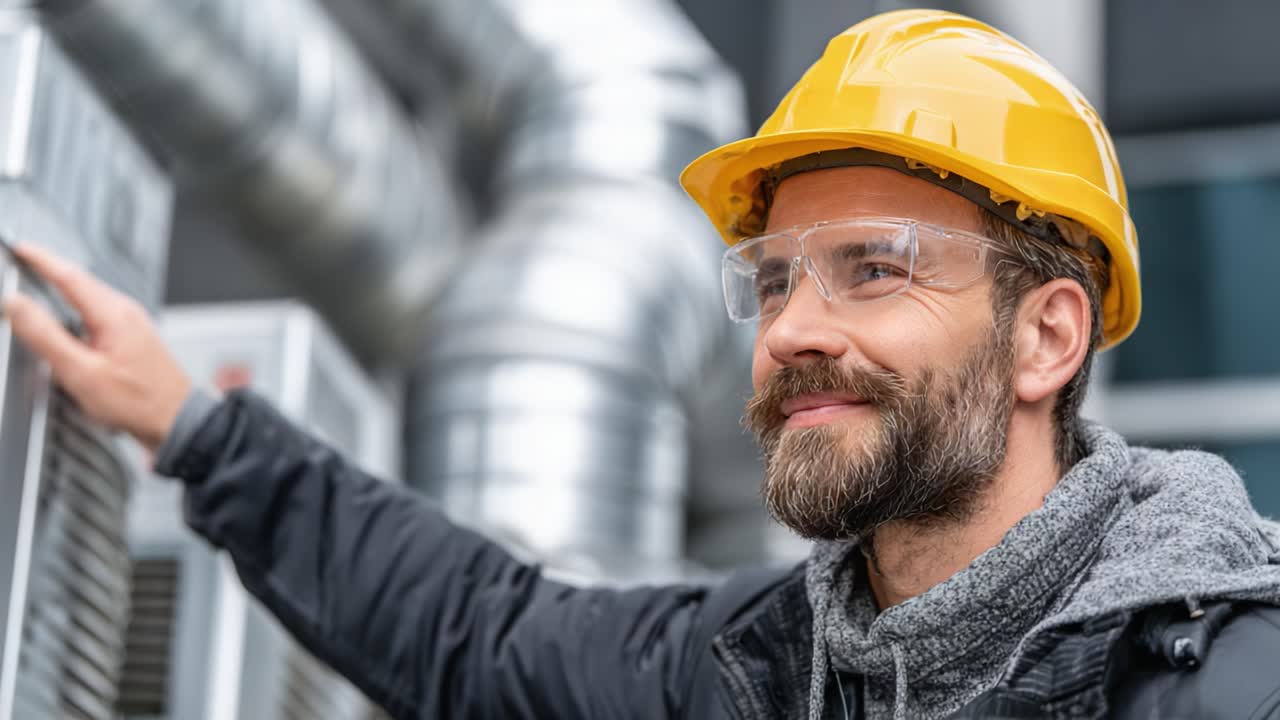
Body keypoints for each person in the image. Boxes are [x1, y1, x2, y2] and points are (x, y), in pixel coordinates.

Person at [6, 9, 1280, 720]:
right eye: (774, 279)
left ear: (1045, 336)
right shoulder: (756, 669)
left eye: (872, 268)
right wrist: (196, 427)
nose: (789, 331)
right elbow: (473, 628)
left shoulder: (1227, 680)